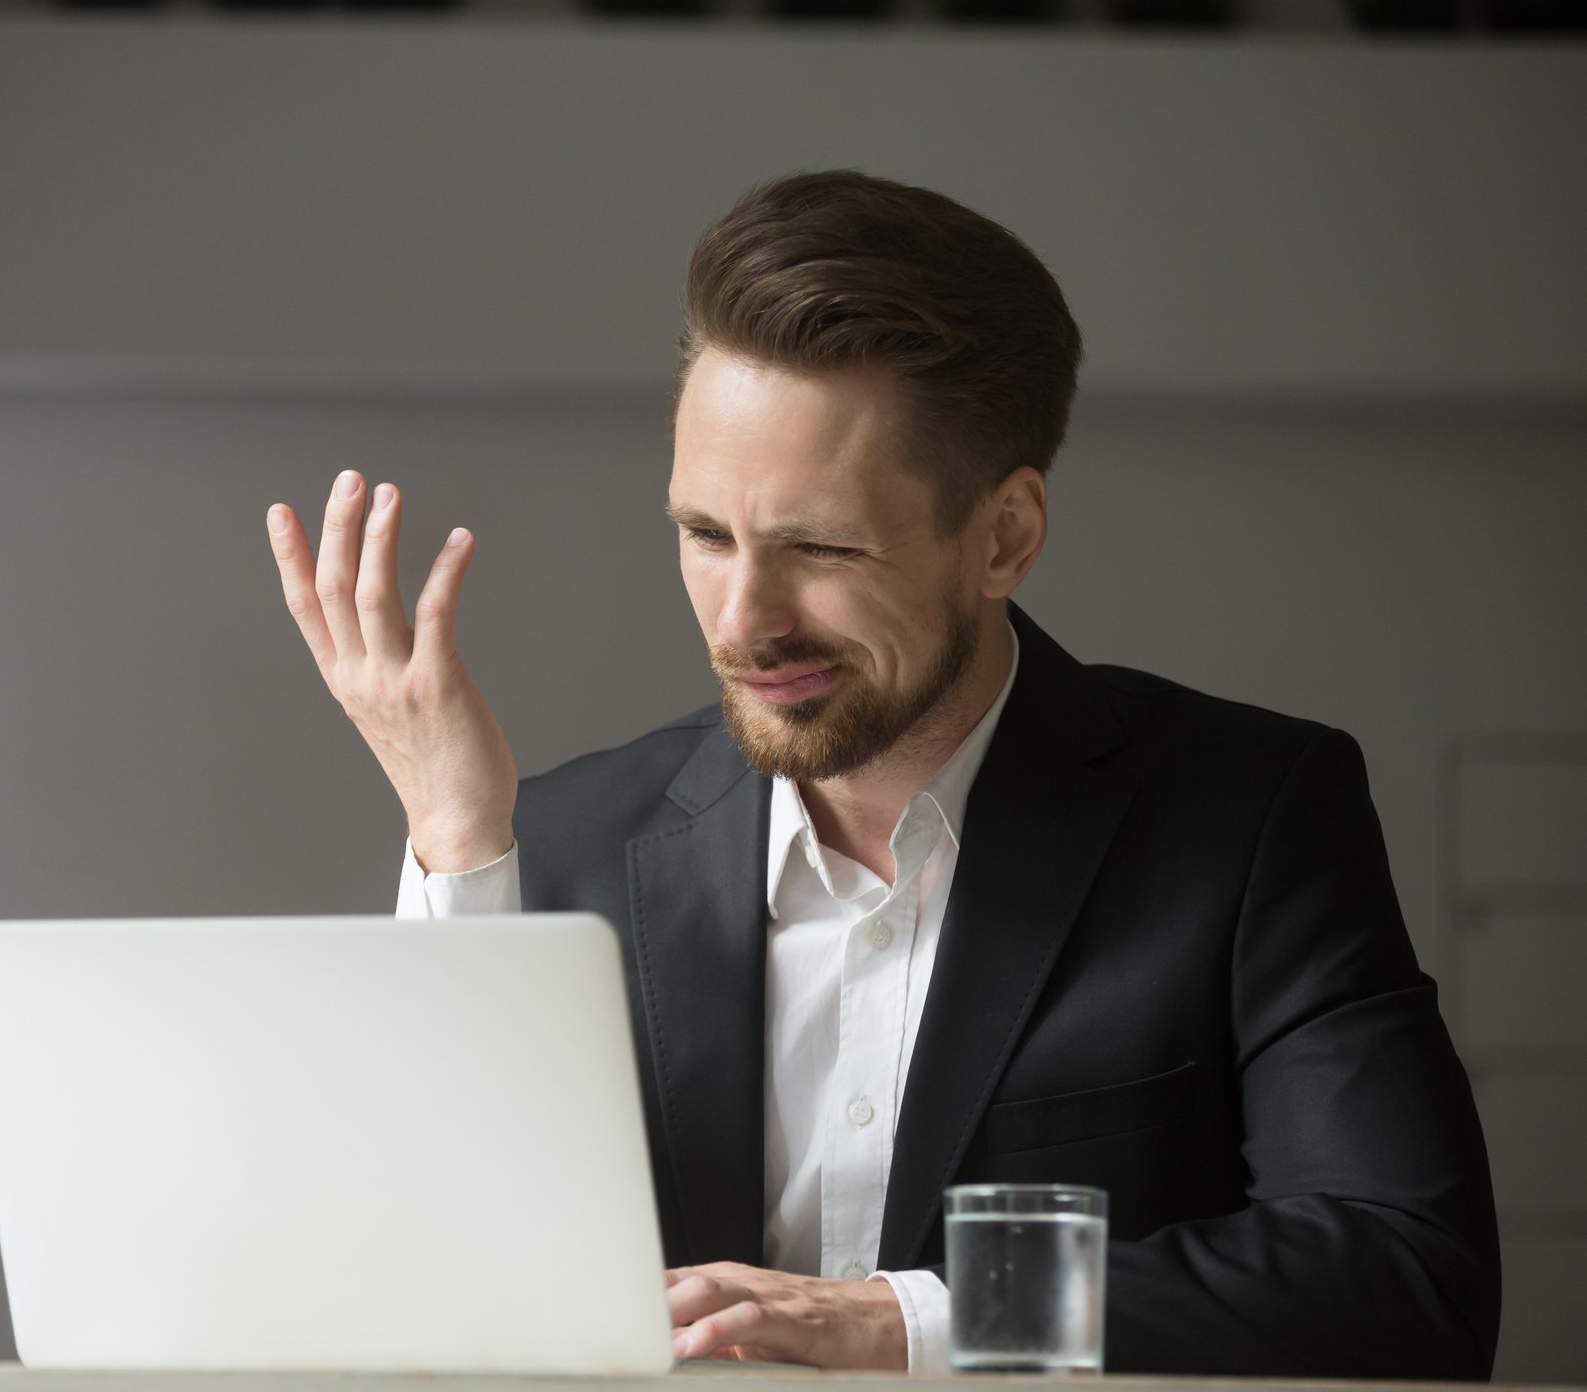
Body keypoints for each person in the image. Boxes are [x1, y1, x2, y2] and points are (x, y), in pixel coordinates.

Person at [261, 171, 1500, 1378]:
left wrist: (908, 1321)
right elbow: (414, 1274)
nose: (744, 618)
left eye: (820, 545)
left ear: (1004, 534)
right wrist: (459, 844)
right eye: (705, 535)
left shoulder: (1250, 817)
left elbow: (1407, 1273)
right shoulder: (552, 841)